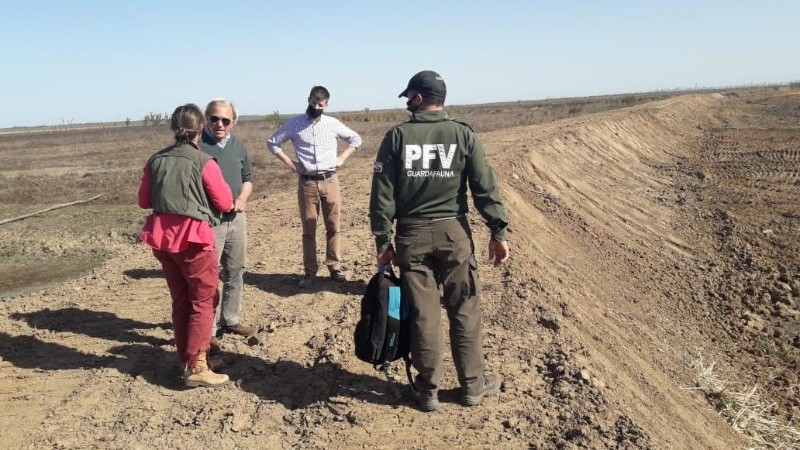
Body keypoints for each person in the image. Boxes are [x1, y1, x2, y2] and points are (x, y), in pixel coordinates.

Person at [369, 70, 511, 412]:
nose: (407, 104)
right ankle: (473, 387)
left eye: (409, 98)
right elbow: (485, 187)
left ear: (419, 98)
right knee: (465, 309)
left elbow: (382, 194)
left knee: (424, 315)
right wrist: (498, 231)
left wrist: (382, 241)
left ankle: (428, 390)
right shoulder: (463, 135)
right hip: (454, 233)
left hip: (411, 235)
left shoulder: (396, 137)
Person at [138, 103, 234, 388]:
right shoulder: (203, 162)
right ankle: (197, 366)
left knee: (181, 299)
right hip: (193, 237)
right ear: (201, 127)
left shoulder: (154, 160)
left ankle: (187, 356)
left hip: (163, 238)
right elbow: (225, 201)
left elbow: (144, 201)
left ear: (173, 128)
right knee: (204, 300)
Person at [267, 86, 362, 288]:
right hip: (307, 182)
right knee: (308, 229)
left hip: (330, 180)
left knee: (333, 226)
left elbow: (356, 139)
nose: (316, 107)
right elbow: (272, 143)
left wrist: (343, 157)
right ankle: (310, 272)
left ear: (326, 105)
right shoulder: (295, 124)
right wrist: (292, 165)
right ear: (308, 100)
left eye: (320, 105)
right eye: (313, 103)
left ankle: (334, 266)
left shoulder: (332, 124)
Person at [200, 98, 255, 339]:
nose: (219, 124)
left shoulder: (238, 146)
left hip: (237, 217)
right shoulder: (197, 146)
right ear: (206, 118)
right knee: (209, 275)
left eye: (225, 120)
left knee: (235, 270)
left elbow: (248, 178)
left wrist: (242, 198)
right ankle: (207, 330)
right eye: (214, 118)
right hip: (210, 221)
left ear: (233, 122)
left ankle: (230, 320)